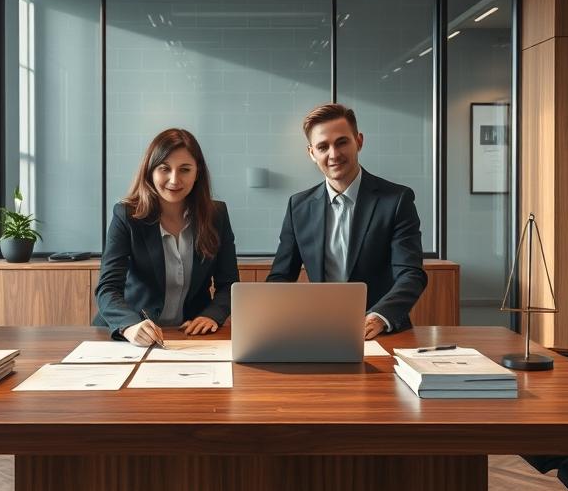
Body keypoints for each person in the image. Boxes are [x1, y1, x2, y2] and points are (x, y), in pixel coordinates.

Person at [267, 103, 427, 339]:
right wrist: (264, 315)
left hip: (383, 331)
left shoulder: (397, 200)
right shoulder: (298, 206)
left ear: (359, 141)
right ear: (312, 153)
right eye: (323, 147)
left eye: (342, 142)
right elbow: (281, 276)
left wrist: (379, 317)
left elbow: (411, 274)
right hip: (319, 331)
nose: (333, 154)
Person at [95, 128, 239, 346]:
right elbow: (108, 288)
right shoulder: (126, 215)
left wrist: (212, 315)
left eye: (185, 169)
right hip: (131, 336)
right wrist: (129, 325)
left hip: (190, 335)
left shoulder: (216, 215)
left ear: (197, 172)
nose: (174, 180)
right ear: (150, 171)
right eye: (164, 169)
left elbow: (228, 284)